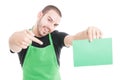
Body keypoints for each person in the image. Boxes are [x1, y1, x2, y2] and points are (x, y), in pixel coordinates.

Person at [9, 5, 102, 80]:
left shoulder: (55, 37)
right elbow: (13, 46)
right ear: (40, 15)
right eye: (49, 20)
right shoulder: (25, 37)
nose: (51, 27)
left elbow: (72, 39)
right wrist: (14, 38)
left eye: (55, 25)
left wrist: (87, 33)